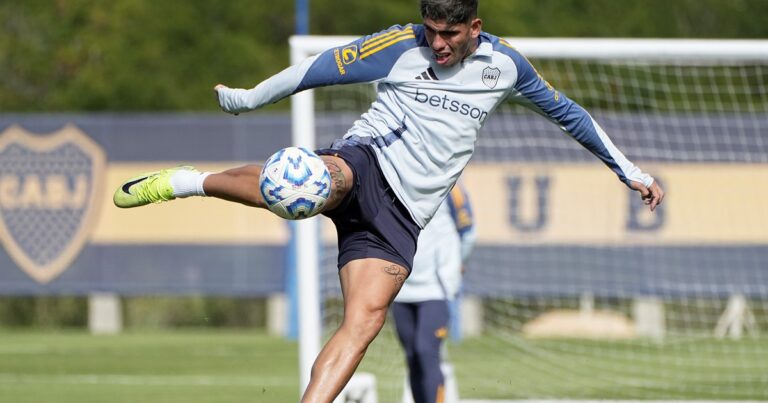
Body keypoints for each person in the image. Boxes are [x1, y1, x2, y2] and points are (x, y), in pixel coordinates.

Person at [113, 0, 664, 401]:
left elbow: (570, 115)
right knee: (303, 184)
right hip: (365, 166)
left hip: (403, 218)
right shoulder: (401, 46)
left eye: (450, 34)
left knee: (365, 321)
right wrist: (248, 98)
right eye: (432, 31)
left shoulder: (507, 67)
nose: (438, 44)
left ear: (476, 26)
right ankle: (189, 181)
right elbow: (319, 68)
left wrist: (629, 171)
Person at [393, 182, 475, 403]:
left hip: (436, 289)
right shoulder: (393, 180)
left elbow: (468, 234)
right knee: (412, 357)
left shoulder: (452, 187)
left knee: (425, 351)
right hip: (400, 289)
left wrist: (455, 268)